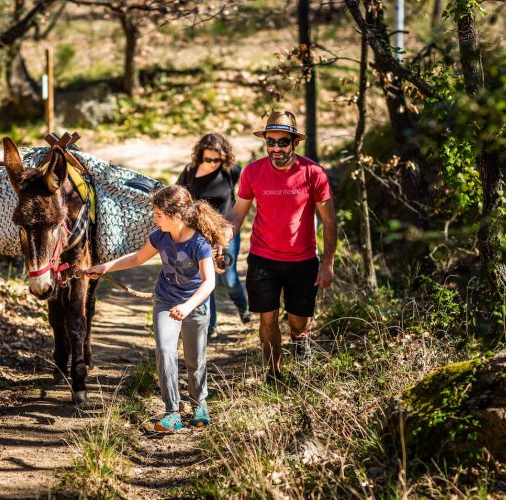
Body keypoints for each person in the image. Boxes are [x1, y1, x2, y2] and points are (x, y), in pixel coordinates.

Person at [85, 185, 230, 431]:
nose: (155, 218)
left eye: (159, 214)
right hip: (165, 302)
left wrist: (187, 306)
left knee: (195, 360)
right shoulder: (160, 236)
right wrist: (104, 267)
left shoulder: (199, 243)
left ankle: (199, 405)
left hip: (194, 306)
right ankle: (172, 410)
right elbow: (137, 258)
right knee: (165, 351)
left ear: (177, 215)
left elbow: (209, 283)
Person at [226, 110, 337, 381]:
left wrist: (327, 264)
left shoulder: (313, 173)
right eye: (271, 141)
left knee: (298, 323)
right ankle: (274, 374)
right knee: (268, 319)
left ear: (294, 142)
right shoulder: (253, 171)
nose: (276, 148)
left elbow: (330, 220)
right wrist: (222, 241)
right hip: (263, 258)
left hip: (302, 260)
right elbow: (237, 214)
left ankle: (301, 342)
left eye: (282, 142)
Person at [177, 133, 251, 339]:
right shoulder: (190, 171)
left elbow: (248, 192)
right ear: (200, 156)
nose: (212, 164)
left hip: (227, 232)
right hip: (200, 235)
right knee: (206, 279)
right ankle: (212, 325)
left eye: (216, 160)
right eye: (207, 159)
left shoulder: (231, 171)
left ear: (224, 158)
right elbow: (179, 196)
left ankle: (243, 308)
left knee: (229, 279)